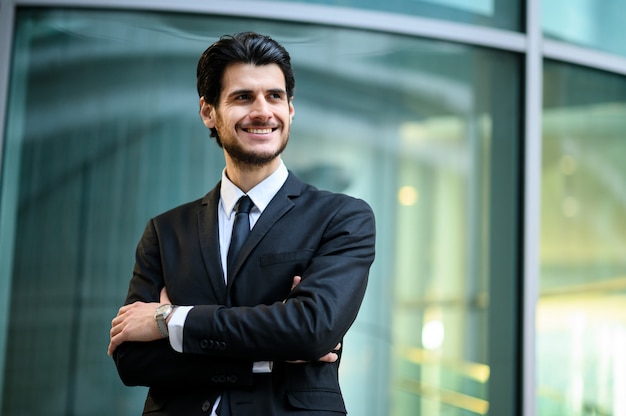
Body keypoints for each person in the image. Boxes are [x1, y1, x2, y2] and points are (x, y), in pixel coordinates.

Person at [107, 31, 376, 416]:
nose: (263, 111)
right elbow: (133, 360)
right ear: (208, 112)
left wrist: (169, 320)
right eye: (243, 97)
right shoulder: (165, 232)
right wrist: (270, 352)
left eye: (275, 96)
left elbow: (311, 330)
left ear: (291, 109)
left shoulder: (342, 218)